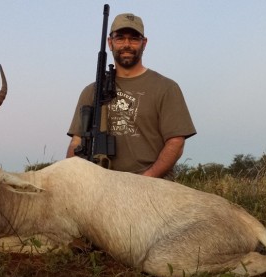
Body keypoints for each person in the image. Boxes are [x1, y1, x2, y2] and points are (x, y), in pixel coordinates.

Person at [67, 13, 196, 179]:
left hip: (152, 186)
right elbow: (76, 142)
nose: (126, 44)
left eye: (134, 39)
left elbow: (176, 142)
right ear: (110, 42)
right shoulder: (91, 91)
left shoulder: (166, 87)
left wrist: (144, 181)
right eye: (120, 38)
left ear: (144, 43)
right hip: (100, 186)